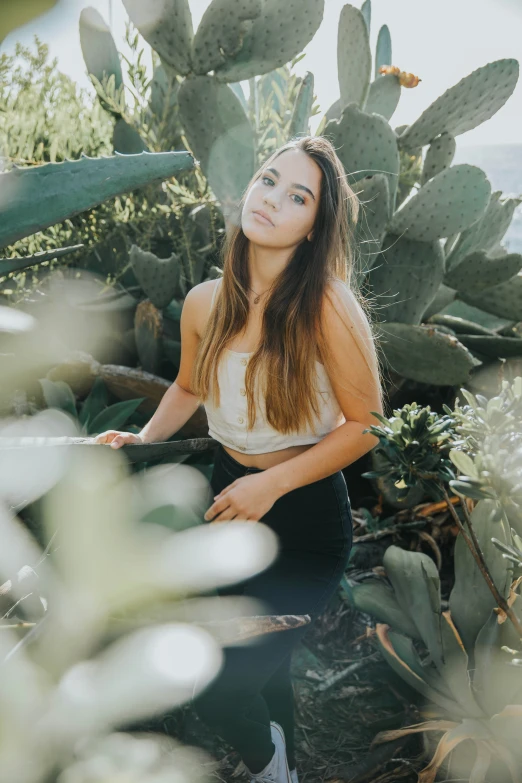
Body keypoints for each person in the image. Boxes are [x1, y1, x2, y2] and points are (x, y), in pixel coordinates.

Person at [94, 135, 385, 783]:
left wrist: (272, 485)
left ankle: (266, 762)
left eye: (297, 196)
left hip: (305, 514)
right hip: (230, 499)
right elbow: (190, 387)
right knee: (261, 663)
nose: (273, 199)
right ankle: (280, 765)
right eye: (268, 179)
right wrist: (141, 439)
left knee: (221, 679)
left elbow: (369, 425)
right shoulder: (205, 302)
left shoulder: (329, 307)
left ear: (315, 228)